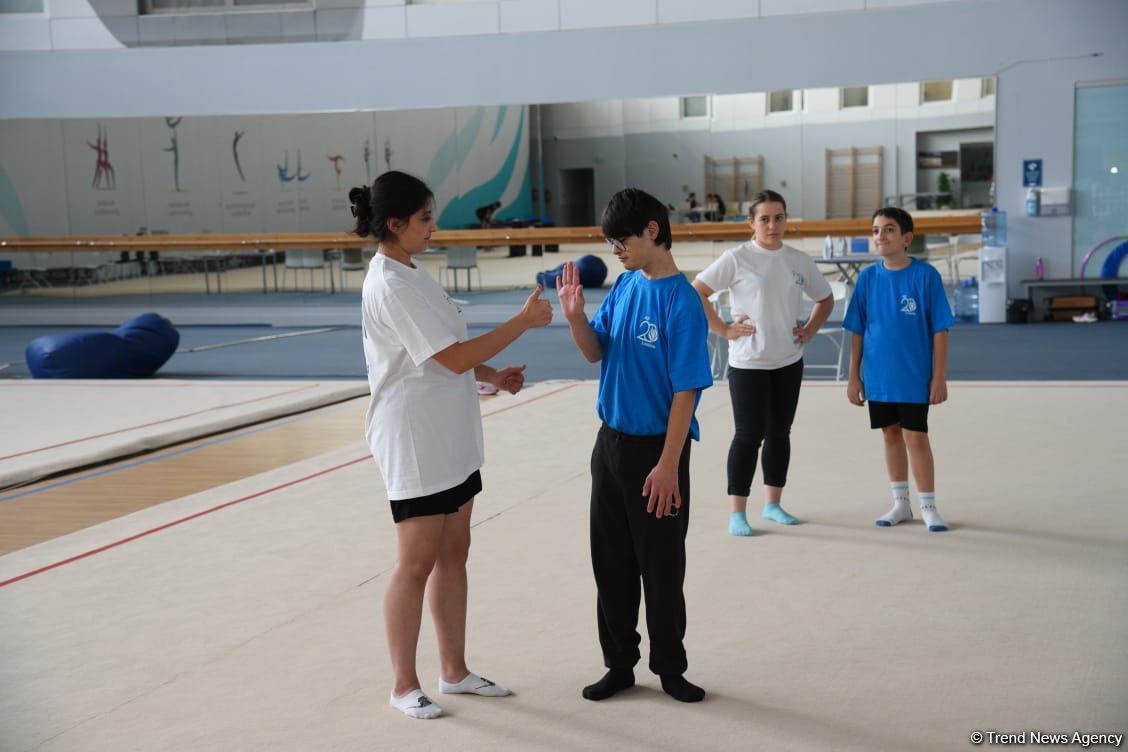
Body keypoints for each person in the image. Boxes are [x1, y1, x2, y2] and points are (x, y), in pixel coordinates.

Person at [350, 171, 553, 719]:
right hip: (413, 438)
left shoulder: (413, 273)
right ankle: (402, 684)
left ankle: (454, 671)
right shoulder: (389, 284)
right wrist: (524, 322)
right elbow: (450, 359)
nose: (433, 226)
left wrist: (493, 373)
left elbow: (454, 350)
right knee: (414, 563)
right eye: (424, 218)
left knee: (454, 551)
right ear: (394, 224)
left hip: (451, 430)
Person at [556, 187, 713, 704]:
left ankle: (670, 666)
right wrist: (576, 317)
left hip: (658, 452)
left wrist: (669, 465)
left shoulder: (682, 302)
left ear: (651, 230)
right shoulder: (624, 287)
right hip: (611, 446)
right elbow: (593, 353)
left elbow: (686, 390)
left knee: (662, 567)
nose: (615, 251)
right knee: (612, 563)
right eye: (608, 243)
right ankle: (619, 663)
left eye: (620, 240)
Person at [692, 190, 834, 536]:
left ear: (787, 219)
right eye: (765, 219)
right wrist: (724, 329)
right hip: (749, 363)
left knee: (779, 433)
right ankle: (737, 511)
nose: (773, 225)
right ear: (751, 223)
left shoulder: (798, 260)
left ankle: (773, 504)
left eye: (779, 217)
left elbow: (825, 298)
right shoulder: (737, 258)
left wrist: (811, 329)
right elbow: (697, 291)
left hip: (788, 360)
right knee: (748, 435)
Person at [843, 206, 954, 532]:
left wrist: (939, 376)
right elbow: (857, 331)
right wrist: (853, 376)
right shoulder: (867, 279)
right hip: (879, 377)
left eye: (889, 229)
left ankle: (929, 505)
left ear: (907, 238)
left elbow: (940, 329)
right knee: (890, 436)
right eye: (876, 230)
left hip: (914, 375)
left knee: (916, 438)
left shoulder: (925, 276)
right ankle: (901, 503)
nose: (881, 235)